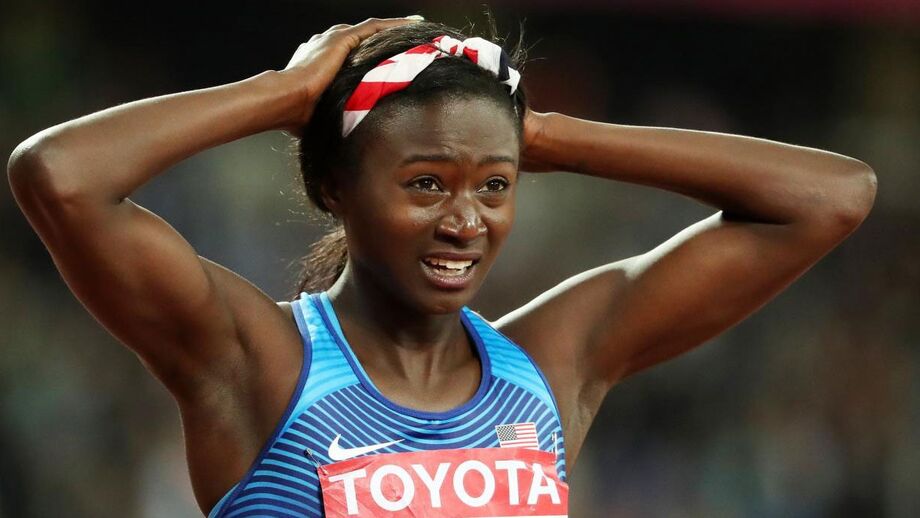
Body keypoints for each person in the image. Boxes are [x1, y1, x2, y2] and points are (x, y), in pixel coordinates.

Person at [7, 15, 876, 517]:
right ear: (334, 188)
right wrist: (285, 91)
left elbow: (833, 195)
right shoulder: (256, 362)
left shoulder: (550, 366)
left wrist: (545, 134)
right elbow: (60, 177)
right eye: (425, 183)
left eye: (495, 186)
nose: (465, 221)